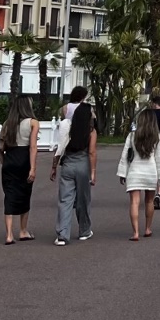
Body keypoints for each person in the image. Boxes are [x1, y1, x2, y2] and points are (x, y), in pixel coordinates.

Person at [116, 108, 160, 241]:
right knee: (149, 201)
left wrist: (123, 172)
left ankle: (135, 233)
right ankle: (148, 228)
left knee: (134, 202)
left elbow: (126, 155)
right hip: (151, 172)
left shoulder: (132, 136)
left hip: (135, 172)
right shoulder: (157, 137)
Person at [50, 100, 97, 246]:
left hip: (68, 164)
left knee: (65, 200)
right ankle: (84, 230)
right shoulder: (91, 131)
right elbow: (92, 152)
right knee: (83, 199)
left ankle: (63, 235)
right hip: (83, 165)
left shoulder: (68, 128)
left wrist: (54, 167)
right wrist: (93, 172)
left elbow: (60, 148)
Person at [0, 95, 39, 244]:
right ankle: (23, 230)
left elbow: (0, 149)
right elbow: (33, 147)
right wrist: (32, 168)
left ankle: (9, 234)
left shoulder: (8, 123)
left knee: (9, 195)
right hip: (24, 159)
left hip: (10, 159)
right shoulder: (33, 123)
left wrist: (5, 163)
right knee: (25, 194)